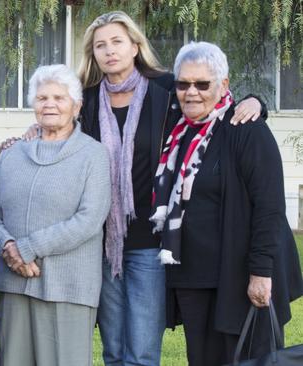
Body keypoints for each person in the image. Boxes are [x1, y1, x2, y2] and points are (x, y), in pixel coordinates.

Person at [73, 11, 264, 365]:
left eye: (117, 42)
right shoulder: (83, 101)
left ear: (135, 47)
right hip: (100, 241)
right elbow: (52, 124)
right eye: (100, 45)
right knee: (113, 349)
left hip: (149, 240)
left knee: (142, 351)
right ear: (93, 53)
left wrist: (255, 102)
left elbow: (212, 99)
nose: (109, 51)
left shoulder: (166, 89)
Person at [150, 41, 303, 365]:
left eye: (203, 84)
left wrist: (261, 273)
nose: (191, 92)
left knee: (251, 359)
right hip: (193, 277)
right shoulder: (178, 130)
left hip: (240, 275)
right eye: (183, 84)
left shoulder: (246, 129)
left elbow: (270, 207)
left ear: (224, 85)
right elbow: (127, 76)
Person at [0, 64, 111, 366]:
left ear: (76, 106)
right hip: (12, 283)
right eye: (42, 98)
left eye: (59, 97)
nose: (49, 104)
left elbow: (89, 218)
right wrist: (8, 248)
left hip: (67, 287)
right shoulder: (11, 156)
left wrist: (27, 249)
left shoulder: (93, 155)